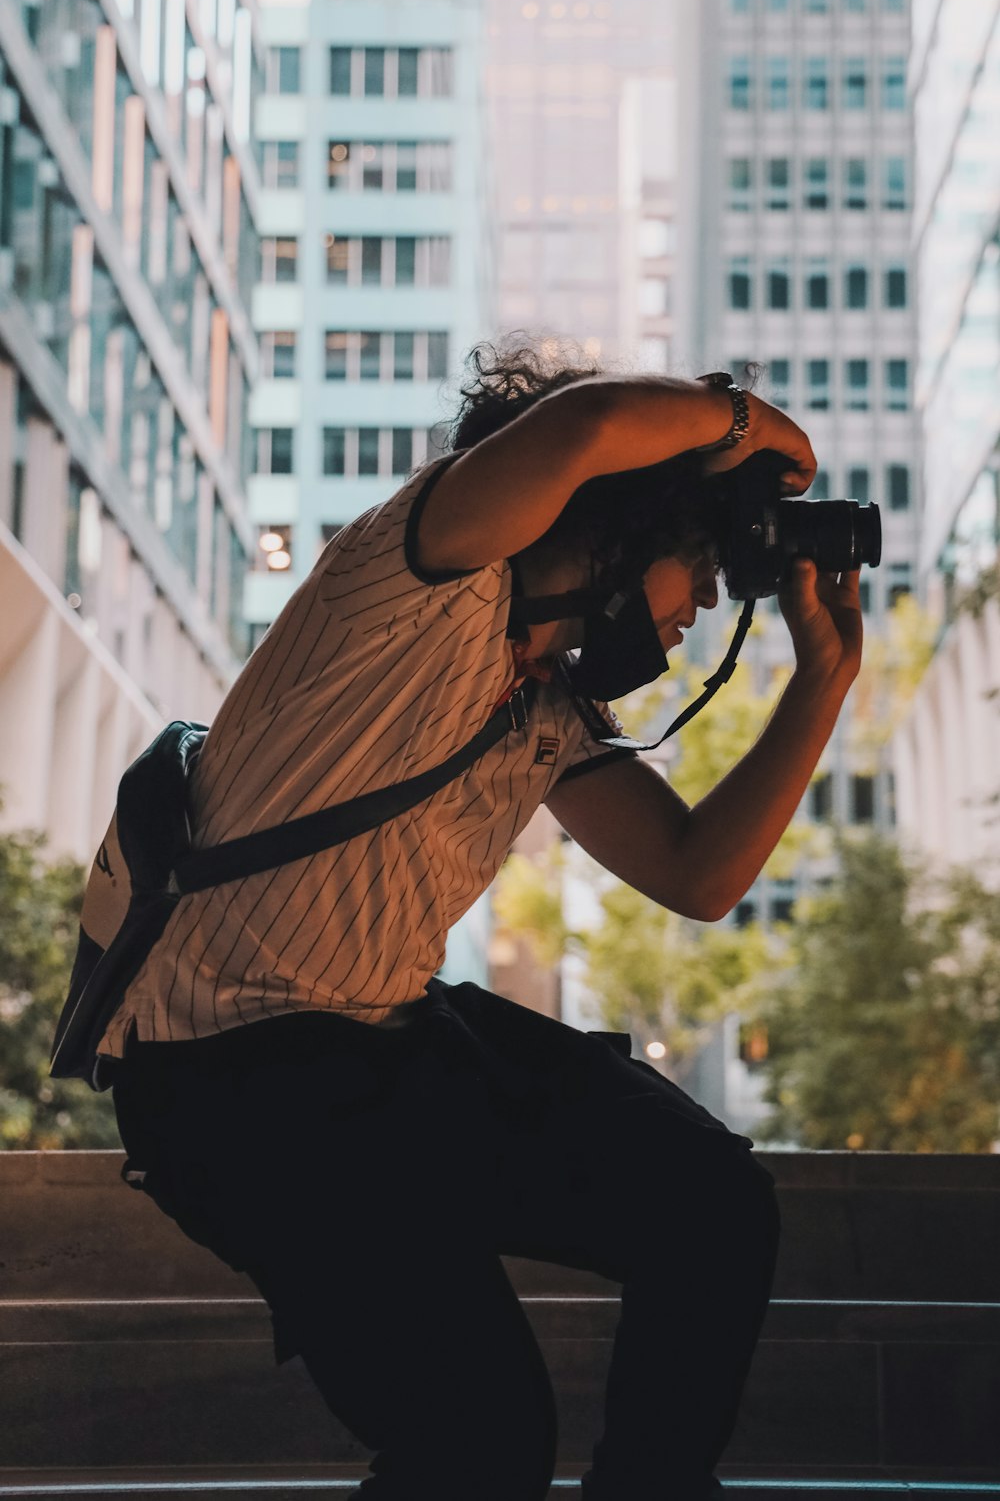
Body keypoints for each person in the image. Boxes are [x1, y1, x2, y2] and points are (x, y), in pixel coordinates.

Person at [106, 343, 863, 1501]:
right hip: (234, 1084)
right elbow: (582, 428)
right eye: (698, 561)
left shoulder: (543, 708)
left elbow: (697, 873)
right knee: (481, 1444)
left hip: (382, 1048)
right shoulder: (419, 580)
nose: (706, 603)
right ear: (612, 527)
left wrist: (822, 685)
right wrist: (753, 428)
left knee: (708, 1203)